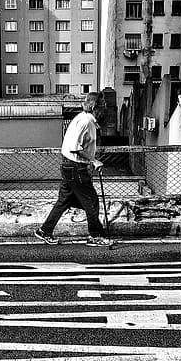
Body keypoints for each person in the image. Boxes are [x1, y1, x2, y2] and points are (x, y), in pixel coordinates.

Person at [35, 92, 113, 247]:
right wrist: (94, 160)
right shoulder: (86, 122)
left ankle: (45, 230)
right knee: (92, 201)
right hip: (76, 167)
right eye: (102, 105)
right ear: (94, 107)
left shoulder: (82, 119)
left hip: (68, 166)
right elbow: (74, 148)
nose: (104, 108)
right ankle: (95, 236)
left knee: (64, 201)